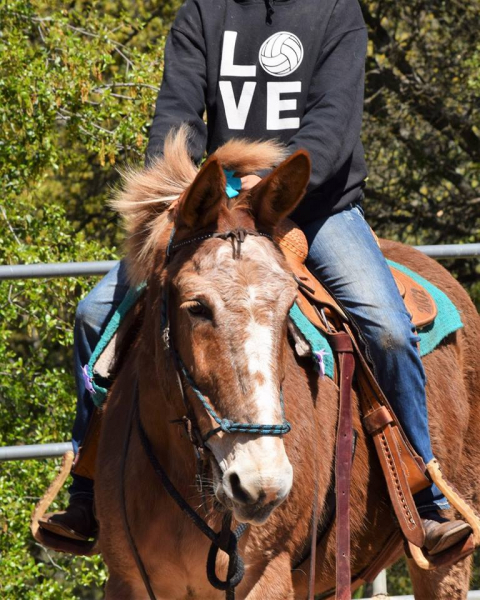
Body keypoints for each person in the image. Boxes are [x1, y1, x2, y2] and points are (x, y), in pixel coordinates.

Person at [40, 0, 470, 554]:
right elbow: (177, 116)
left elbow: (331, 131)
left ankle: (424, 496)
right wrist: (199, 196)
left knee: (386, 326)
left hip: (314, 206)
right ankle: (87, 487)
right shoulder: (202, 11)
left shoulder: (336, 12)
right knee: (95, 314)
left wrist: (262, 191)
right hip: (211, 213)